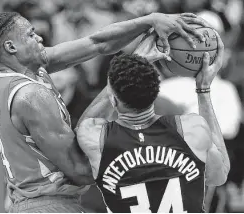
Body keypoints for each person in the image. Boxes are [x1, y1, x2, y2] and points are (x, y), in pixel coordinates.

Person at [0, 11, 206, 213]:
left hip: (35, 203)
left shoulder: (4, 74)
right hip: (49, 205)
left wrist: (150, 21)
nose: (39, 38)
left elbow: (97, 43)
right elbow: (80, 170)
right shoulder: (31, 97)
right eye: (30, 34)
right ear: (11, 47)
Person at [76, 31, 230, 212]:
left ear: (113, 99)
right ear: (156, 93)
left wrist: (137, 58)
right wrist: (203, 89)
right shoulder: (190, 128)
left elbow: (86, 121)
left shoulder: (96, 137)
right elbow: (219, 176)